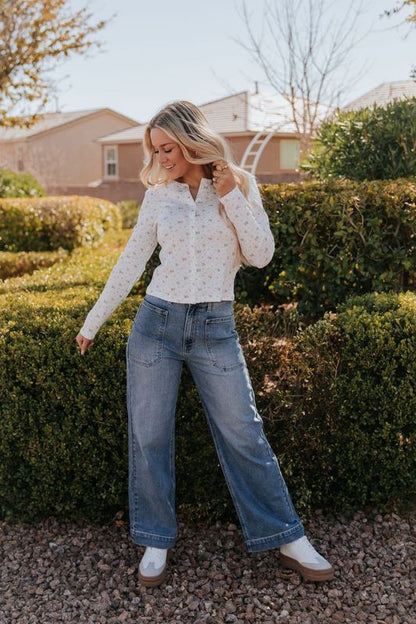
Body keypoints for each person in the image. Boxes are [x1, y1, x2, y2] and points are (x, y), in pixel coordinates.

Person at [76, 100, 334, 587]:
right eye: (157, 150)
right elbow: (132, 260)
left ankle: (287, 536)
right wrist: (94, 321)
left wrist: (233, 196)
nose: (163, 158)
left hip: (216, 327)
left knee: (245, 432)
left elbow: (260, 255)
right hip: (156, 325)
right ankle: (155, 537)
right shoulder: (158, 196)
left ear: (192, 140)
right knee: (149, 435)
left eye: (169, 148)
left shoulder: (239, 184)